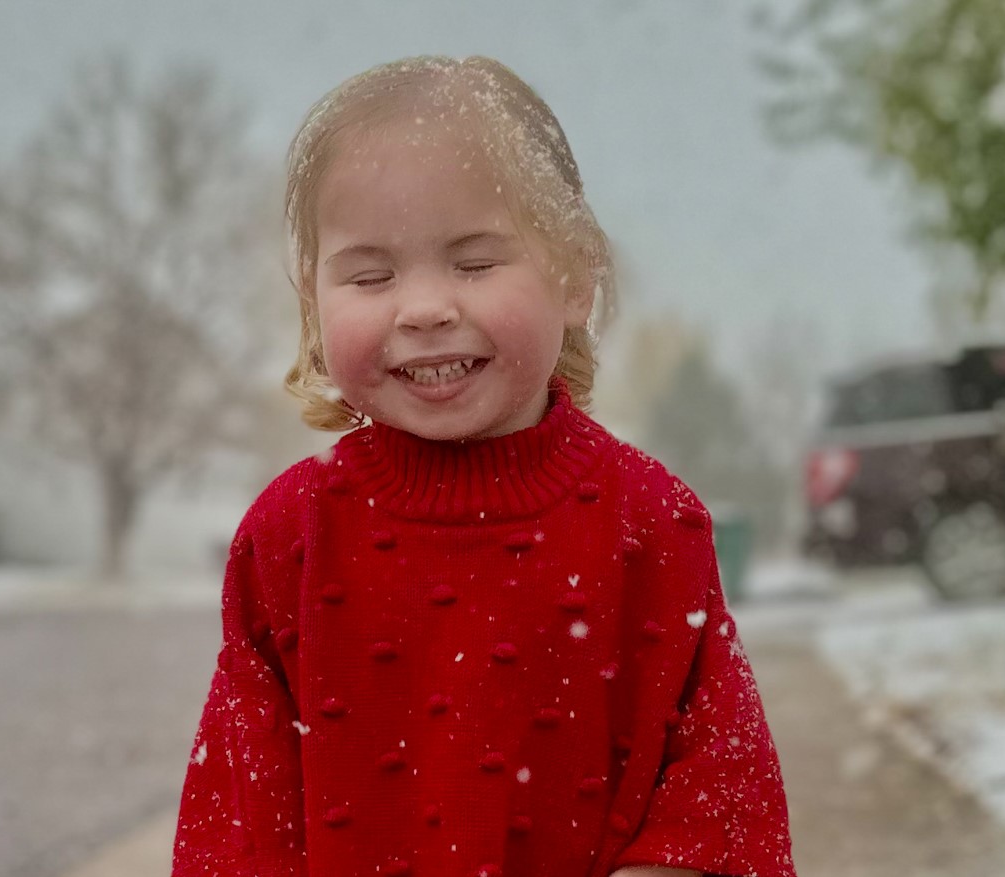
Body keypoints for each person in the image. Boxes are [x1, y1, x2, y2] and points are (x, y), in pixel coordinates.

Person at [173, 55, 795, 877]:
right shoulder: (288, 538)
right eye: (370, 274)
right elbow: (238, 822)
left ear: (574, 277)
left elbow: (722, 787)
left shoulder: (651, 520)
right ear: (314, 303)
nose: (425, 307)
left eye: (473, 262)